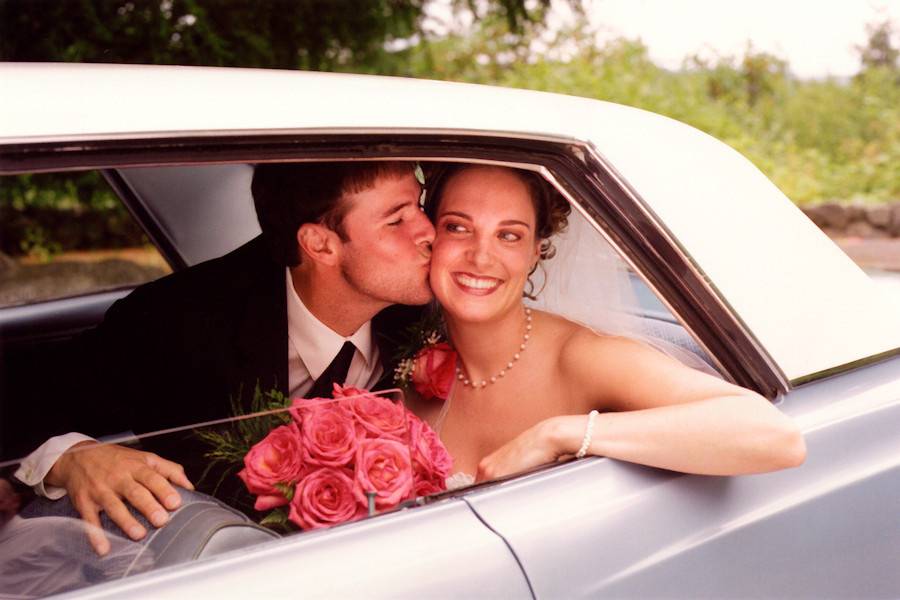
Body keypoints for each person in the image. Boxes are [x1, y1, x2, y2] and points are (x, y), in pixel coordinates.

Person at [13, 161, 435, 554]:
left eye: (419, 205)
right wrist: (72, 457)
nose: (429, 231)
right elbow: (22, 395)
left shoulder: (430, 311)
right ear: (319, 244)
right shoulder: (179, 322)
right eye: (396, 220)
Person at [410, 164, 806, 484]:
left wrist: (558, 434)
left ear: (535, 252)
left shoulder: (581, 357)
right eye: (458, 227)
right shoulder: (402, 364)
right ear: (430, 236)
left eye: (509, 235)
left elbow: (776, 436)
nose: (481, 257)